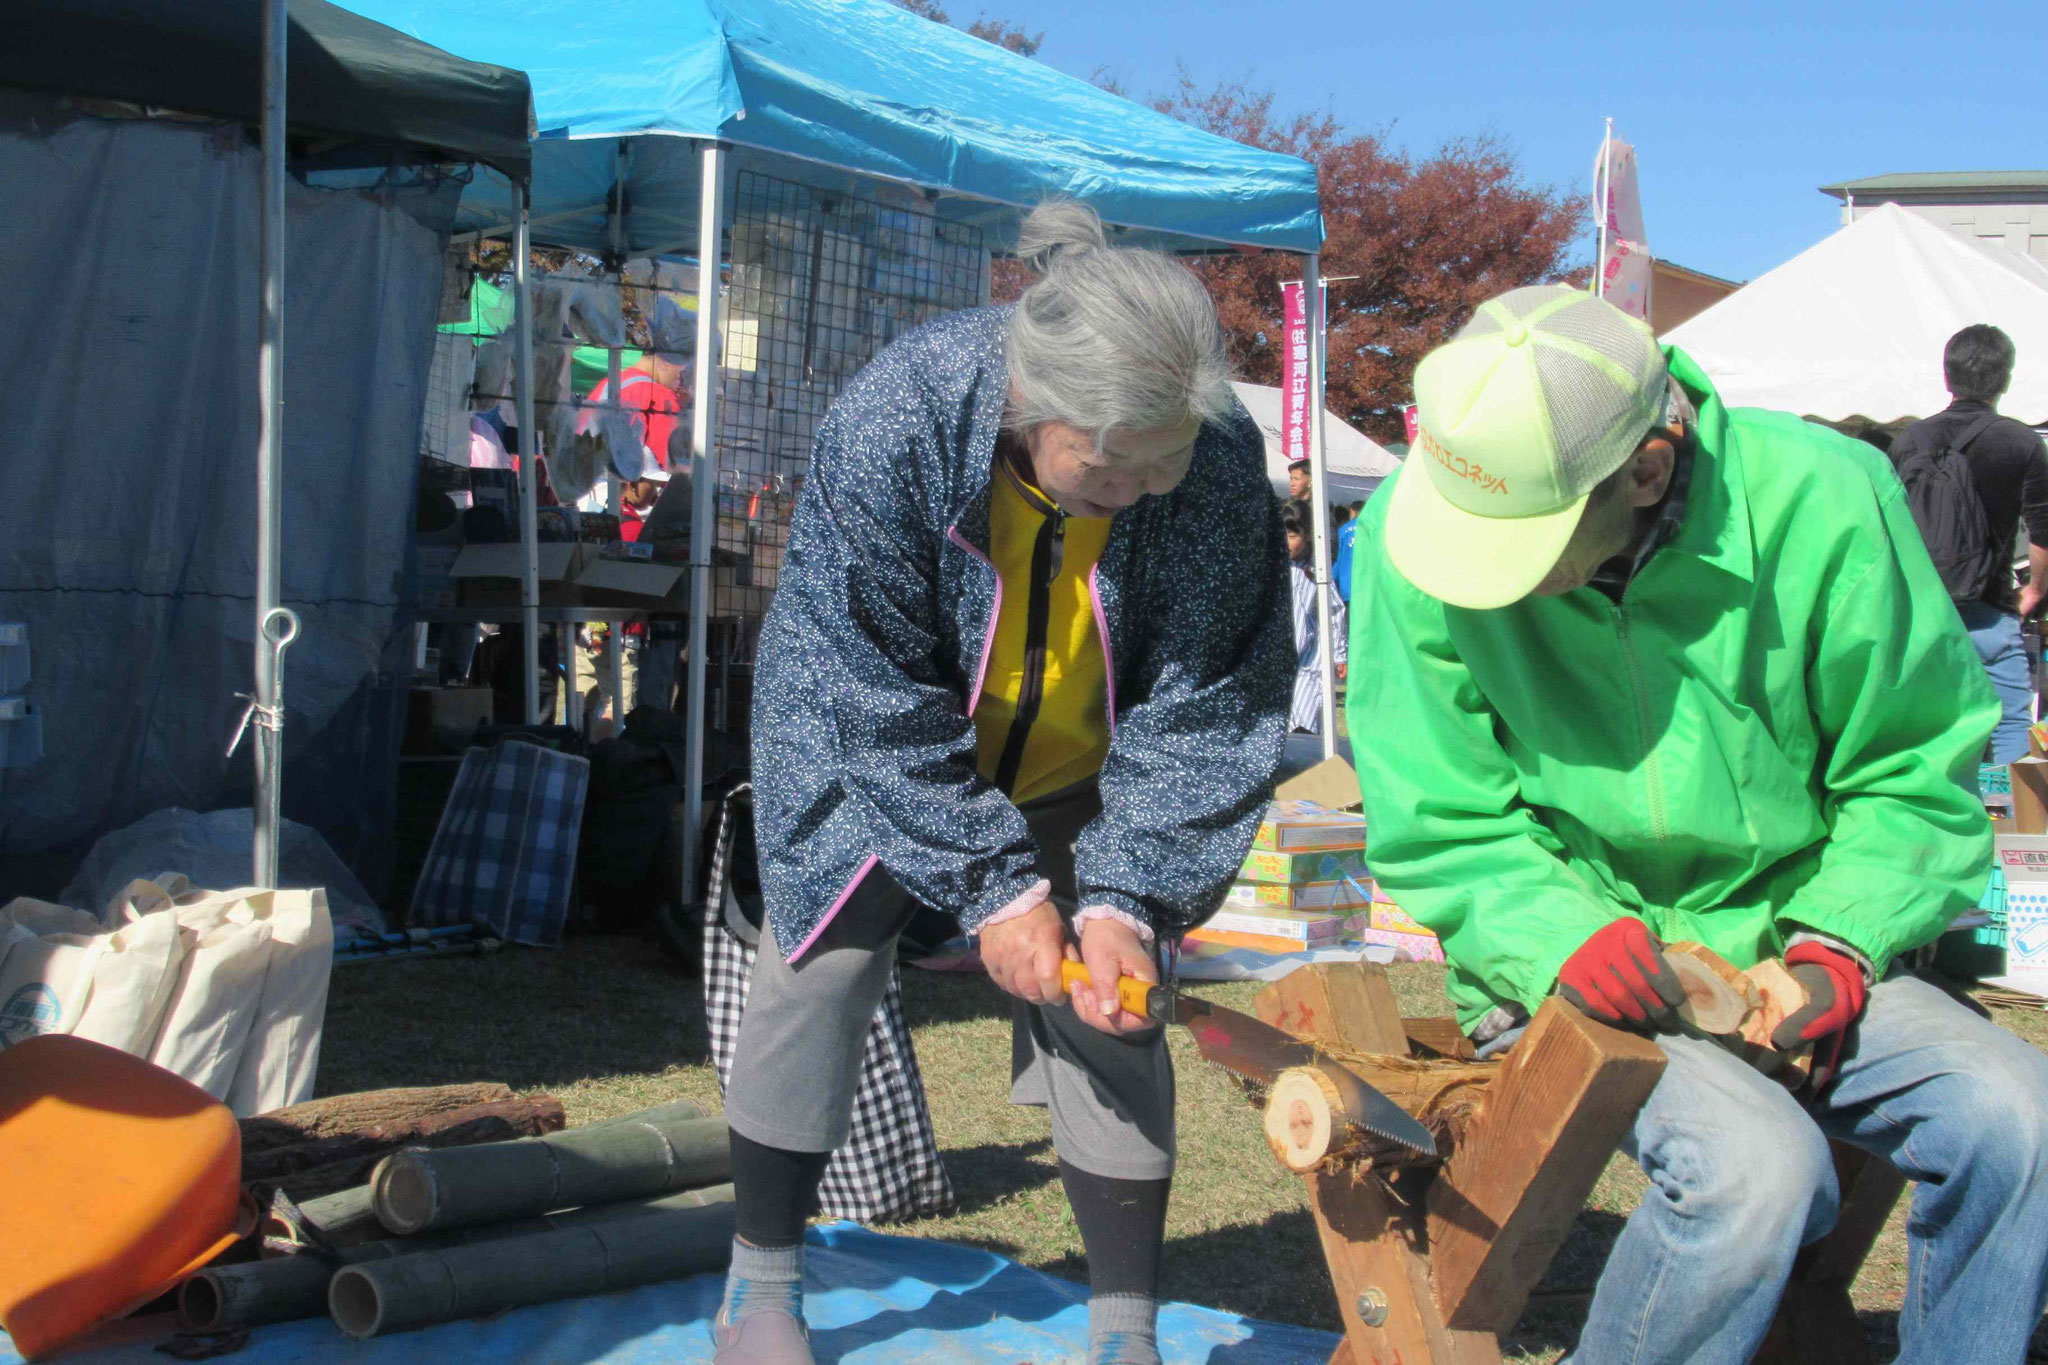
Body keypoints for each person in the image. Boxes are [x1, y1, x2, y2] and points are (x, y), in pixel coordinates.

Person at [1349, 284, 2048, 1365]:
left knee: (2022, 1123)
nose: (1498, 580)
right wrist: (1555, 941)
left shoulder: (1824, 495)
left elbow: (1912, 764)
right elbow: (1437, 812)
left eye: (1526, 544)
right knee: (1754, 1171)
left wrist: (1838, 939)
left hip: (1795, 931)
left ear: (1645, 468)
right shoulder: (1413, 524)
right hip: (1563, 955)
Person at [714, 200, 1291, 1365]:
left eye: (1164, 462)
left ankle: (1124, 1331)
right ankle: (760, 1293)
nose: (1140, 488)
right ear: (1034, 409)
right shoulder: (902, 413)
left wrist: (1126, 894)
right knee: (816, 971)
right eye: (1113, 465)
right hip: (873, 740)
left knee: (1112, 1007)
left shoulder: (1214, 455)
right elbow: (862, 672)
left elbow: (1211, 693)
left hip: (1086, 751)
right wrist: (990, 886)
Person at [1890, 324, 2048, 763]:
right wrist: (2033, 590)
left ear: (1947, 377)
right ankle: (2005, 822)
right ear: (2005, 380)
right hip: (1991, 610)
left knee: (1925, 733)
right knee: (2012, 732)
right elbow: (2043, 531)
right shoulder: (2023, 444)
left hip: (1922, 614)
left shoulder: (1909, 441)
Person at [581, 294, 698, 536]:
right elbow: (677, 471)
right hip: (631, 520)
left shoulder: (611, 383)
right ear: (665, 360)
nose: (684, 378)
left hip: (591, 506)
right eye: (683, 367)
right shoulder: (658, 396)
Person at [1281, 497, 1346, 732]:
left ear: (1307, 535)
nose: (1286, 542)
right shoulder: (1275, 569)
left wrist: (1339, 654)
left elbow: (1335, 610)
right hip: (1281, 664)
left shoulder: (1314, 571)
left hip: (1309, 666)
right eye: (1282, 534)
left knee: (1304, 728)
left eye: (1292, 535)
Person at [1331, 498, 1364, 605]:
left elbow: (1338, 559)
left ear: (1352, 511)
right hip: (1368, 587)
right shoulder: (1374, 529)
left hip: (1347, 586)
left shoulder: (1344, 530)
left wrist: (1331, 580)